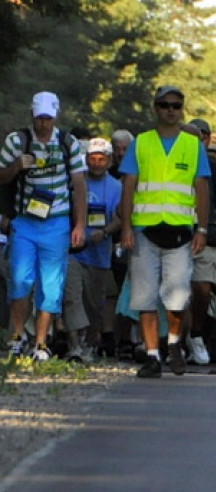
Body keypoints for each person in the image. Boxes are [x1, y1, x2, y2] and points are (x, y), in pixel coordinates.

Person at [119, 84, 211, 378]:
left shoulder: (192, 145)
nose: (170, 110)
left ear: (182, 109)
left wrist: (203, 229)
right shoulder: (141, 143)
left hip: (181, 232)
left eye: (175, 105)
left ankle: (173, 343)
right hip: (146, 230)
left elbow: (202, 188)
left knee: (178, 296)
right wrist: (126, 228)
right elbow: (129, 186)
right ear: (155, 108)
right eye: (164, 105)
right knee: (144, 297)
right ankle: (152, 356)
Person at [0, 91, 87, 361]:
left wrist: (80, 225)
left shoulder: (68, 143)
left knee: (51, 285)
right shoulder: (18, 141)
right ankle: (17, 335)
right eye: (39, 119)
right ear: (31, 116)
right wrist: (16, 166)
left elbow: (79, 184)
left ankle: (41, 343)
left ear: (56, 116)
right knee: (20, 279)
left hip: (57, 221)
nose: (43, 124)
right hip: (25, 221)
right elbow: (1, 175)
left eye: (48, 118)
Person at [63, 137, 122, 362]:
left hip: (99, 253)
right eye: (93, 158)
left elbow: (120, 217)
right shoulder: (75, 182)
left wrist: (106, 232)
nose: (97, 163)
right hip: (74, 250)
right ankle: (74, 345)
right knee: (71, 296)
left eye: (101, 159)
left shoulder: (116, 186)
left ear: (108, 161)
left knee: (94, 303)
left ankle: (89, 343)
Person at [182, 119, 216, 365]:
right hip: (177, 234)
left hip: (207, 234)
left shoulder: (212, 164)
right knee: (178, 292)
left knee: (203, 289)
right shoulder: (171, 163)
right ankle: (177, 340)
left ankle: (196, 334)